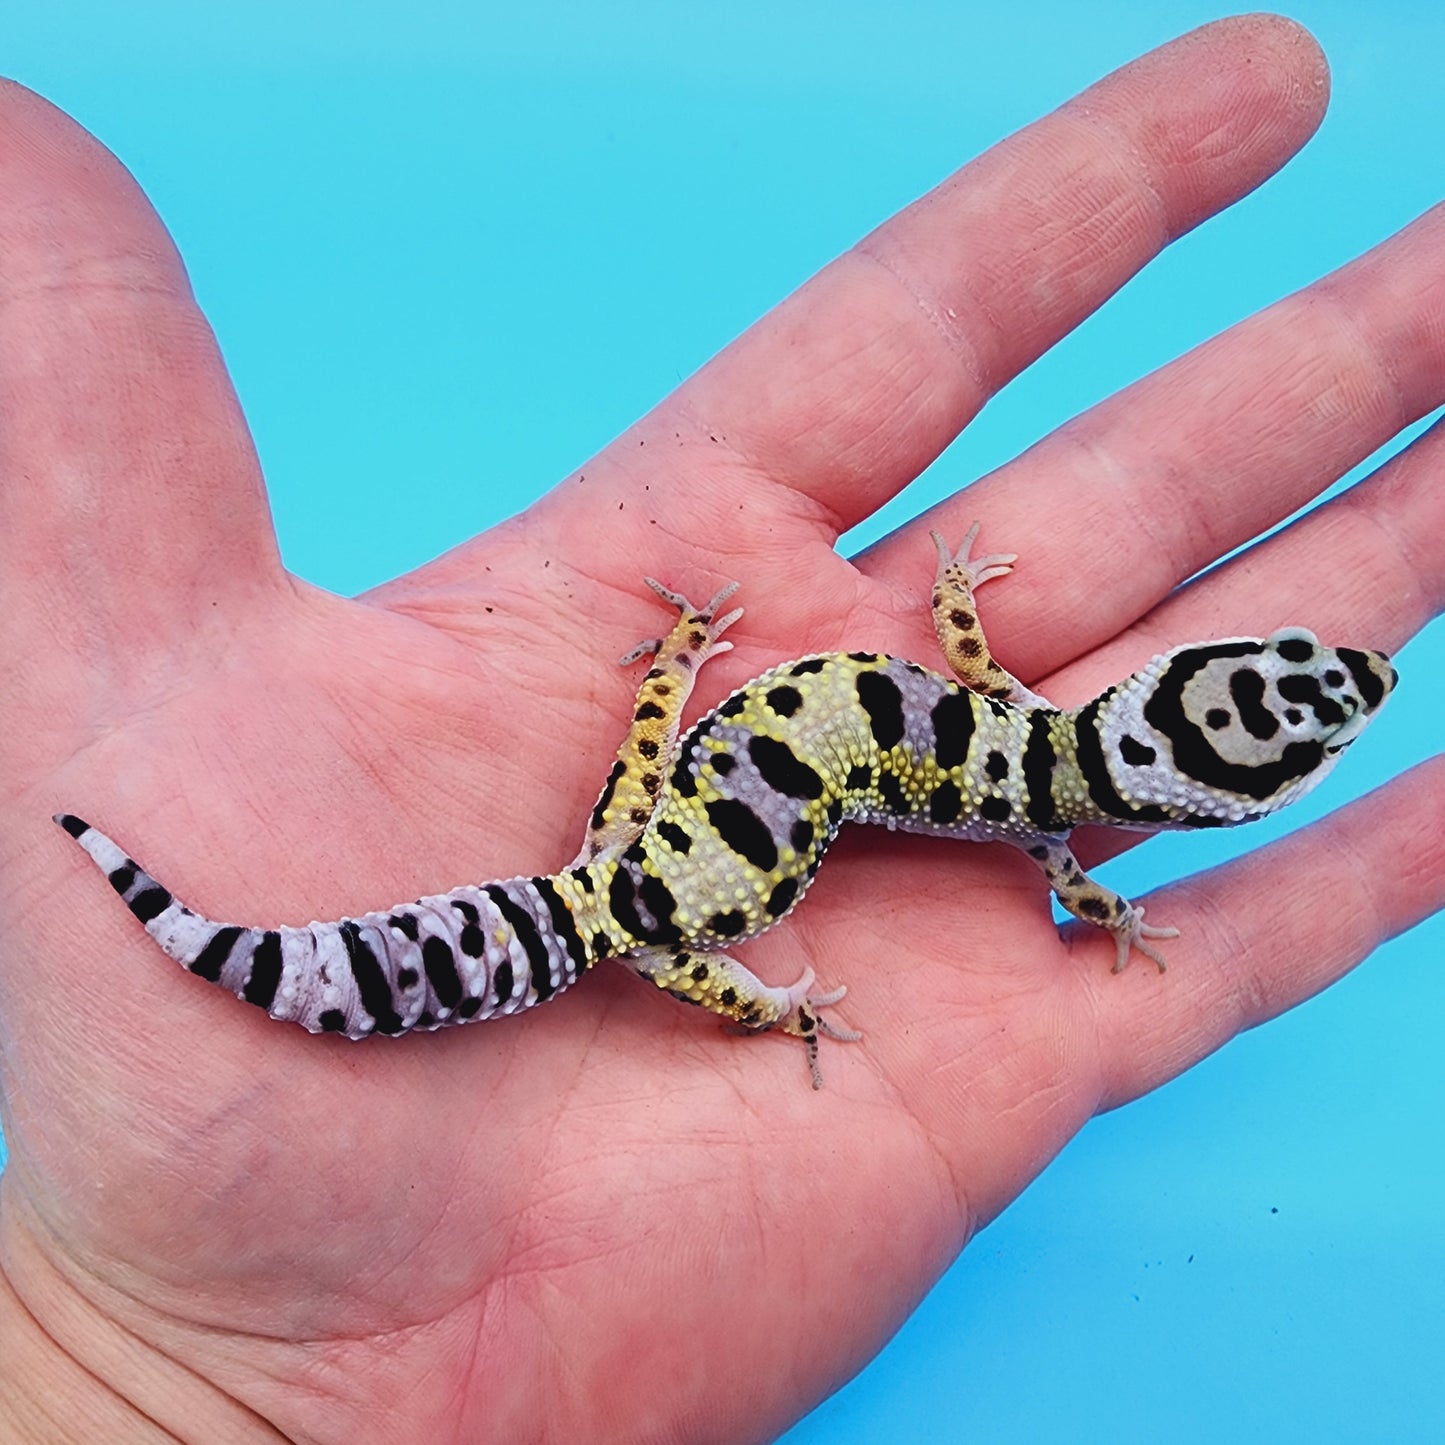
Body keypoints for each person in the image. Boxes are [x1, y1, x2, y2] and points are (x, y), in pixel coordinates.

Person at [1, 14, 1441, 1442]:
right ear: (1185, 780)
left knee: (660, 851)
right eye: (1301, 692)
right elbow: (1058, 862)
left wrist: (709, 662)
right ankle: (616, 954)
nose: (1327, 693)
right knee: (687, 921)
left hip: (653, 843)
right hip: (653, 893)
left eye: (1292, 717)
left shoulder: (1021, 740)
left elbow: (966, 691)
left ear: (1171, 729)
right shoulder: (1043, 812)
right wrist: (794, 999)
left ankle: (350, 891)